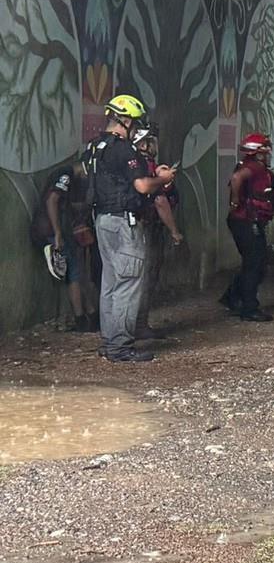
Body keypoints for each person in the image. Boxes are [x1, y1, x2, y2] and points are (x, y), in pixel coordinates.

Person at [86, 94, 177, 362]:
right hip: (124, 223)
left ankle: (110, 342)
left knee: (111, 284)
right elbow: (142, 186)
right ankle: (120, 347)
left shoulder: (95, 147)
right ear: (124, 120)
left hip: (103, 221)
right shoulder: (123, 148)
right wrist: (162, 178)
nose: (136, 128)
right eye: (134, 123)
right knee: (128, 285)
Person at [32, 155, 98, 331]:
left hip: (59, 230)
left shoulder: (69, 177)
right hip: (52, 230)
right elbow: (52, 201)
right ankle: (82, 319)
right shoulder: (66, 175)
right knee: (74, 275)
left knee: (76, 272)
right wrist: (58, 233)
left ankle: (88, 315)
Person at [219, 131, 274, 322]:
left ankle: (232, 298)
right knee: (255, 263)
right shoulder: (254, 167)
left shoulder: (252, 166)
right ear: (258, 152)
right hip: (246, 221)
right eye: (266, 149)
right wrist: (235, 202)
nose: (269, 153)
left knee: (253, 262)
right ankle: (249, 307)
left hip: (245, 220)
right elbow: (236, 179)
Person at [134, 125, 182, 339]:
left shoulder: (139, 166)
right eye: (150, 141)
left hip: (137, 227)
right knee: (145, 278)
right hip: (146, 228)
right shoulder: (143, 168)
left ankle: (132, 326)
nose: (154, 145)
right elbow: (160, 201)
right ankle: (138, 326)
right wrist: (174, 231)